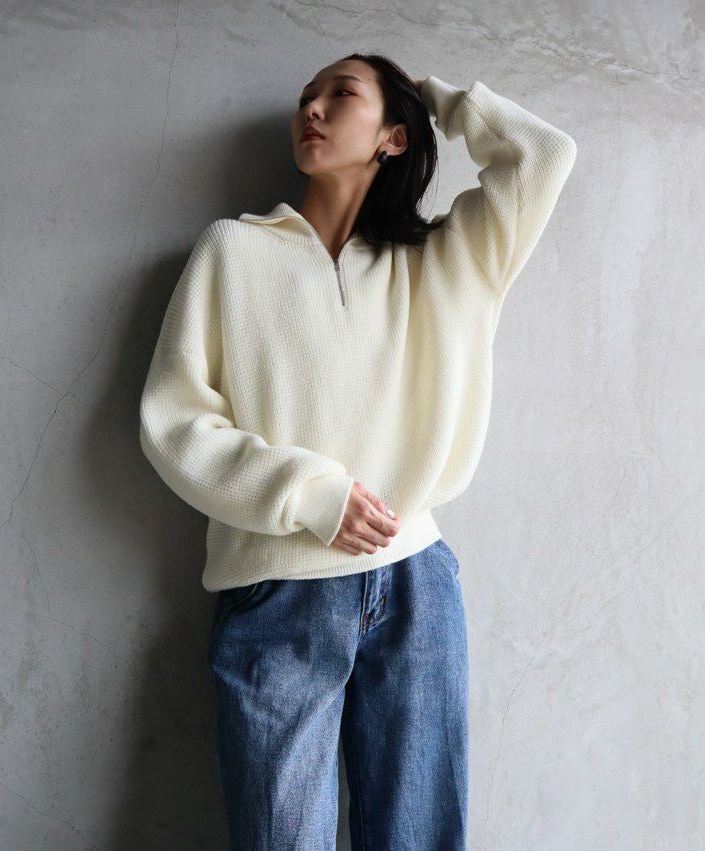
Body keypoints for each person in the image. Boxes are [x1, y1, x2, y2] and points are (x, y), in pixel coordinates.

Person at [139, 52, 577, 849]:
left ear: (392, 136)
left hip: (414, 584)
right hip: (275, 585)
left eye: (339, 95)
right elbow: (174, 420)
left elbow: (543, 156)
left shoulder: (450, 258)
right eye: (305, 97)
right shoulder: (232, 250)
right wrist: (310, 493)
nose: (310, 108)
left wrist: (435, 99)